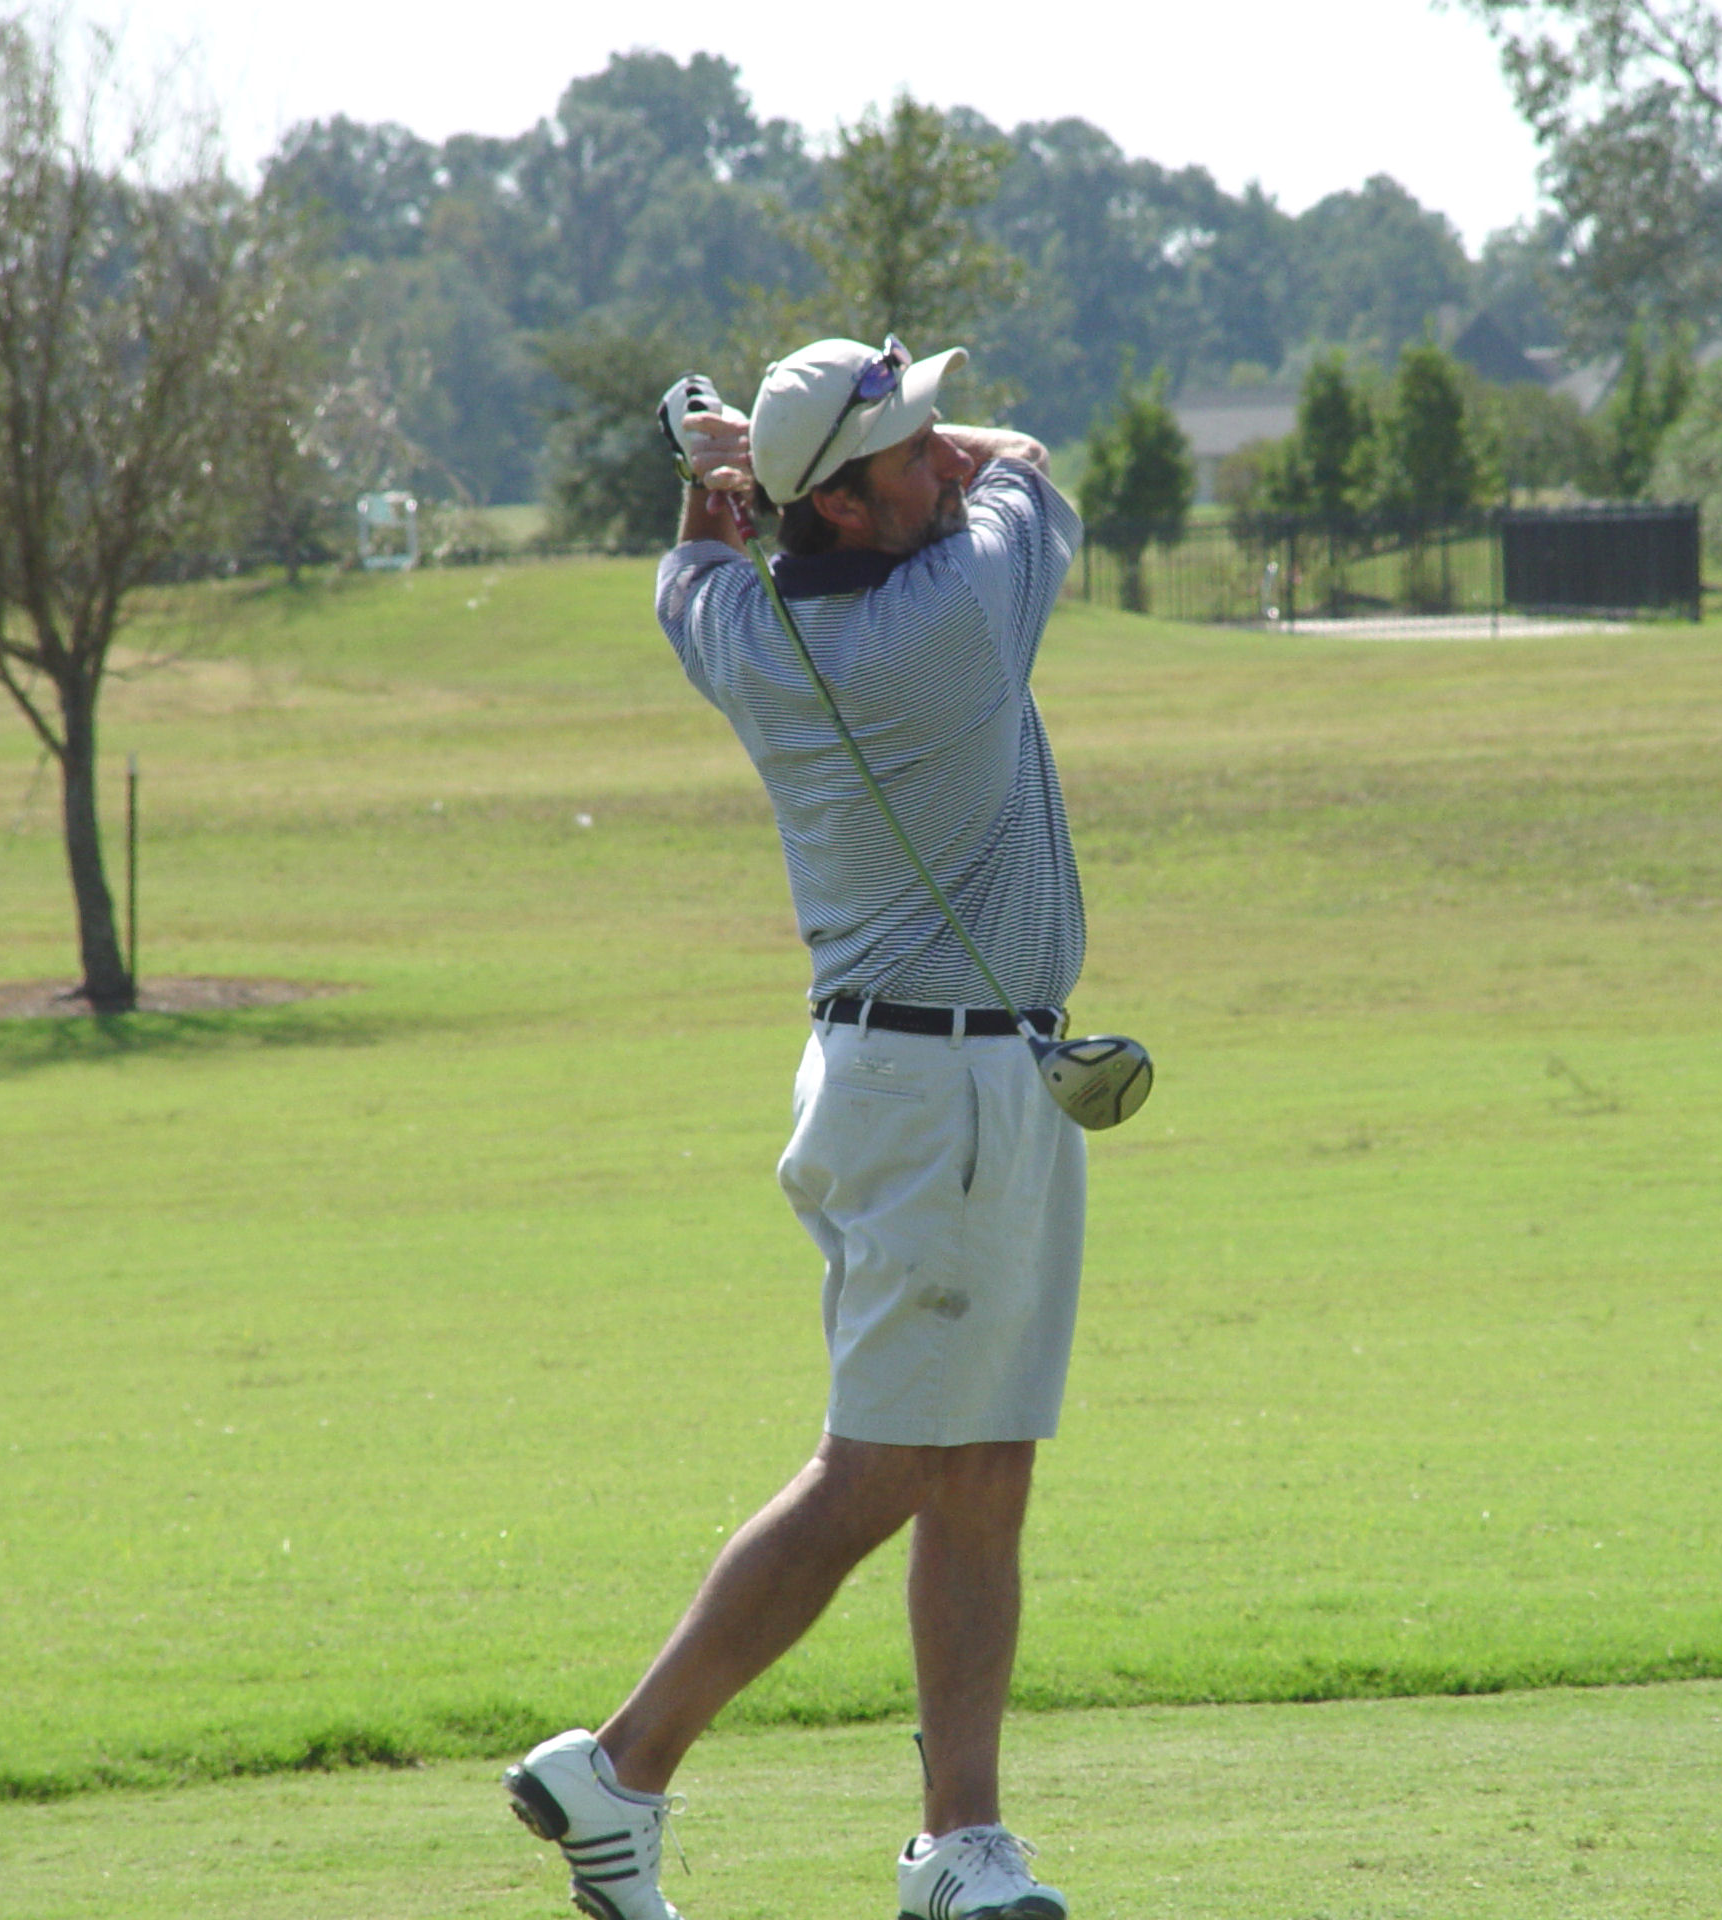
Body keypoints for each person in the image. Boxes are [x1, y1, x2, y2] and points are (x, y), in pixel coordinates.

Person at [501, 335, 1089, 1920]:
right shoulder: (954, 617)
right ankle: (620, 1767)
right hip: (950, 1097)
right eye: (901, 450)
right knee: (880, 1468)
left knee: (979, 1471)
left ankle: (959, 1846)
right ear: (836, 509)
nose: (937, 460)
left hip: (906, 1085)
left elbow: (688, 570)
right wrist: (761, 458)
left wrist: (732, 477)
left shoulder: (742, 625)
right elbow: (1025, 455)